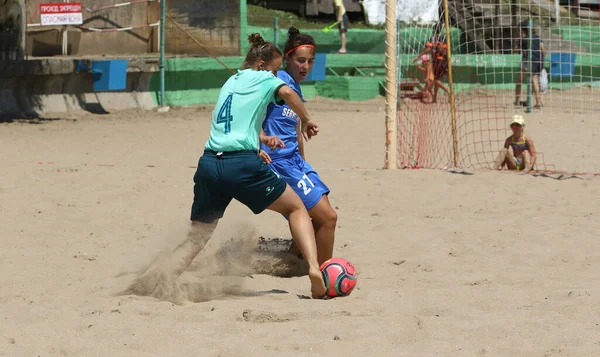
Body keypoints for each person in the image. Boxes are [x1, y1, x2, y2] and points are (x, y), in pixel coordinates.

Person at [129, 34, 327, 299]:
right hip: (241, 165)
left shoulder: (230, 82)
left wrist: (259, 142)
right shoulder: (264, 77)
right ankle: (314, 268)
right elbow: (288, 93)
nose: (277, 75)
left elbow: (231, 124)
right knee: (296, 208)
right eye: (275, 69)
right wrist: (307, 119)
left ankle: (157, 280)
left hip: (210, 163)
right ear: (260, 65)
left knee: (197, 237)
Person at [259, 27, 338, 266]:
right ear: (287, 59)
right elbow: (276, 101)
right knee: (328, 217)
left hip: (295, 163)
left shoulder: (295, 86)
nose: (305, 66)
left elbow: (295, 132)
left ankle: (291, 261)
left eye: (310, 62)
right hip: (279, 163)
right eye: (300, 60)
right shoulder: (280, 80)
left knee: (317, 215)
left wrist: (304, 162)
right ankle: (325, 274)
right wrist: (305, 118)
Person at [515, 25, 546, 109]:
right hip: (537, 61)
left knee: (519, 81)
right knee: (535, 81)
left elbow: (516, 50)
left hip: (526, 61)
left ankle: (517, 101)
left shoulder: (523, 39)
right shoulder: (537, 38)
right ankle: (538, 103)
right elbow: (543, 50)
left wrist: (517, 44)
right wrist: (542, 61)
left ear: (523, 30)